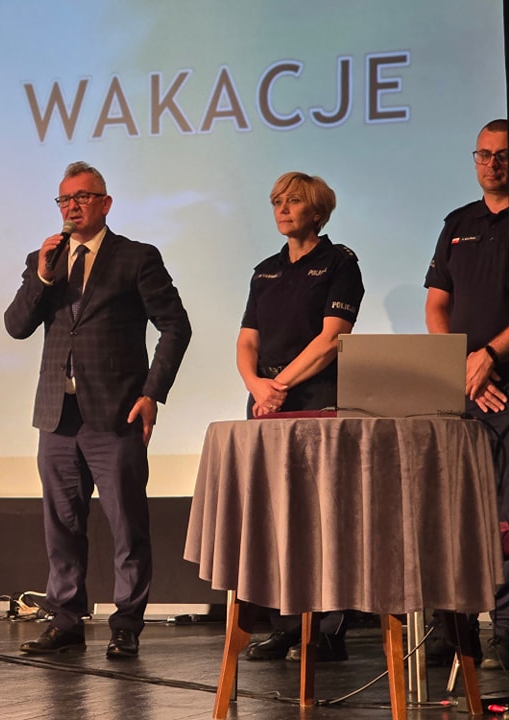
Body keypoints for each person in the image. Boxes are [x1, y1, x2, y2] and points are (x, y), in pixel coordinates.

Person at [4, 161, 191, 658]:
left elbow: (176, 326)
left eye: (82, 197)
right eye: (65, 199)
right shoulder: (44, 260)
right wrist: (41, 277)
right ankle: (65, 619)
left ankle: (126, 623)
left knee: (127, 524)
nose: (72, 207)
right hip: (56, 416)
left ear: (105, 204)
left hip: (116, 413)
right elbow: (16, 326)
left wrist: (152, 392)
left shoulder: (136, 257)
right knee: (62, 525)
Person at [236, 172, 364, 662]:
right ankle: (286, 626)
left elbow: (331, 339)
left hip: (317, 402)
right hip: (267, 403)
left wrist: (278, 386)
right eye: (277, 202)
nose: (283, 209)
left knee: (323, 517)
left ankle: (328, 630)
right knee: (276, 518)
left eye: (293, 201)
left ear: (317, 212)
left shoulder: (340, 263)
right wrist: (255, 385)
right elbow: (247, 340)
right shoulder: (264, 271)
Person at [424, 118, 509, 670]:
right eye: (483, 154)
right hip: (464, 388)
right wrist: (458, 365)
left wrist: (490, 357)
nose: (492, 163)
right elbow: (437, 304)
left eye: (502, 154)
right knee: (452, 510)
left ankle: (504, 630)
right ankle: (451, 630)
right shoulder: (457, 222)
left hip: (502, 384)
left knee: (505, 516)